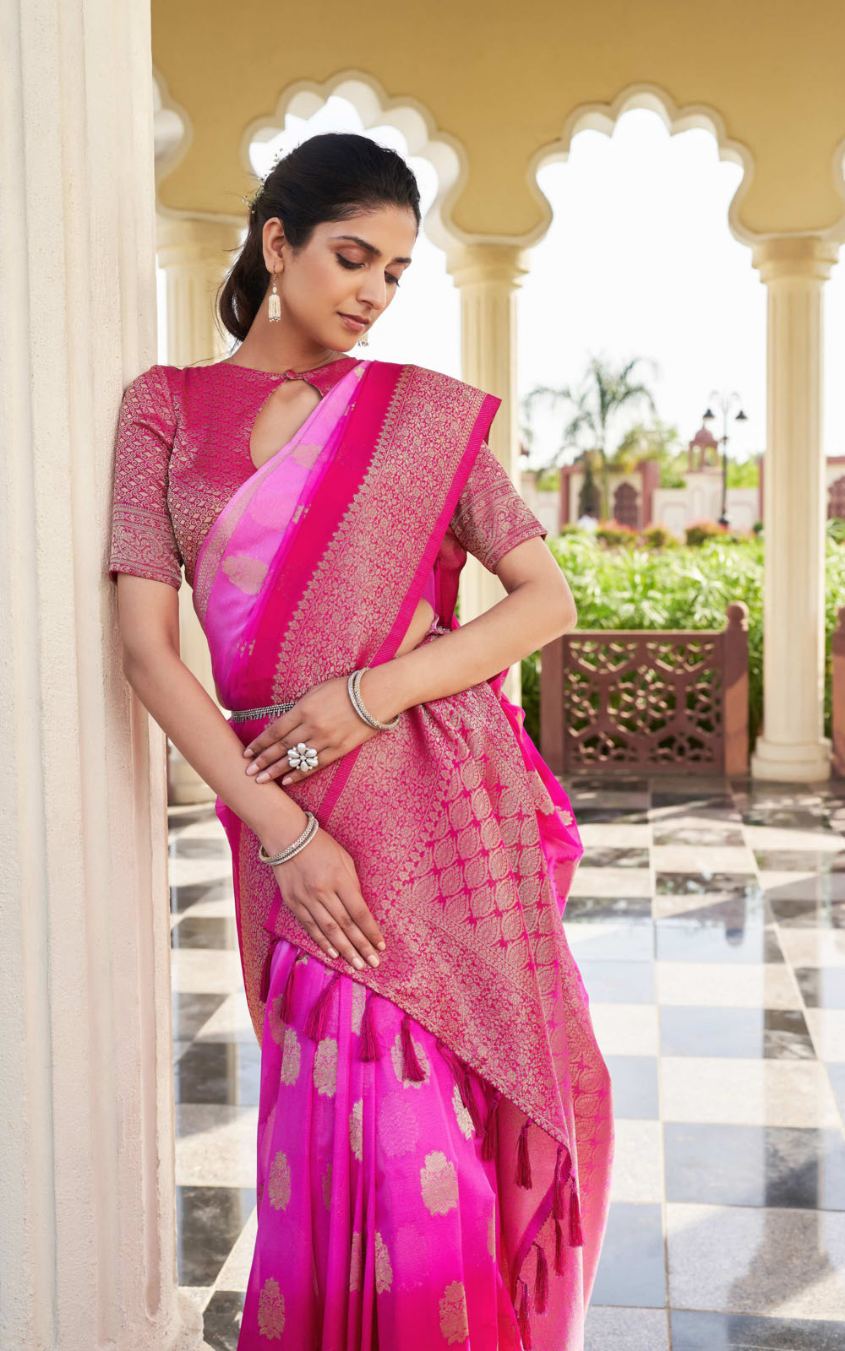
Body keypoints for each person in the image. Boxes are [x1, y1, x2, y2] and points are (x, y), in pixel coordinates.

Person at [108, 131, 613, 1351]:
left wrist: (370, 696)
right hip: (294, 832)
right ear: (274, 244)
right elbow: (145, 650)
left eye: (394, 270)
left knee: (447, 1157)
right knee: (360, 1149)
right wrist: (282, 832)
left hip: (440, 820)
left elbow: (545, 601)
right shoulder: (162, 410)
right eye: (350, 257)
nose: (373, 294)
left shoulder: (424, 418)